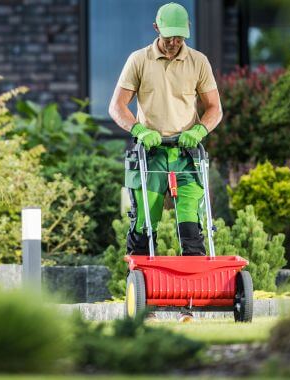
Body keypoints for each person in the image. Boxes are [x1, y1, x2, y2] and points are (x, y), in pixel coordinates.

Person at [108, 2, 223, 256]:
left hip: (186, 154)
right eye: (169, 36)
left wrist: (199, 130)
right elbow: (116, 107)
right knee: (144, 223)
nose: (174, 42)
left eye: (179, 36)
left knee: (191, 224)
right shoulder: (138, 60)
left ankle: (193, 287)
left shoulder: (198, 62)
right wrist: (139, 130)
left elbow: (215, 107)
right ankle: (139, 284)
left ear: (188, 30)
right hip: (151, 153)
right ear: (156, 27)